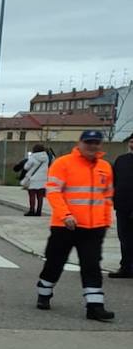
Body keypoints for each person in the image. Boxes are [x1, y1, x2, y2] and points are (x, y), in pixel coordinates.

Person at [36, 130, 115, 321]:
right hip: (65, 226)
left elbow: (107, 197)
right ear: (79, 143)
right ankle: (44, 293)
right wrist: (66, 215)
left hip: (94, 227)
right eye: (88, 142)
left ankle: (95, 306)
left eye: (96, 142)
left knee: (91, 265)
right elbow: (53, 192)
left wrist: (105, 222)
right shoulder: (63, 163)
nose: (92, 146)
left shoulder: (105, 167)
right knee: (55, 262)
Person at [111, 135, 133, 279]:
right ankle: (125, 267)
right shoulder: (121, 160)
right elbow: (114, 181)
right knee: (124, 238)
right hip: (122, 206)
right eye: (131, 141)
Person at [20, 145, 51, 216]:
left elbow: (26, 167)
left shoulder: (33, 157)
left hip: (33, 178)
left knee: (32, 195)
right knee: (40, 196)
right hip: (43, 179)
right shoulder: (46, 157)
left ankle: (32, 210)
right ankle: (39, 211)